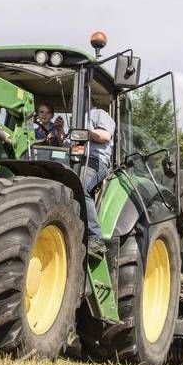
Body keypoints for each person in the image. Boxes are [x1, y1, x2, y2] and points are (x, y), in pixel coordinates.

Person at [81, 104, 114, 258]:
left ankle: (95, 237)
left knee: (81, 186)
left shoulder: (99, 114)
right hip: (76, 159)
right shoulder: (77, 117)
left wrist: (85, 133)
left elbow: (105, 136)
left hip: (96, 160)